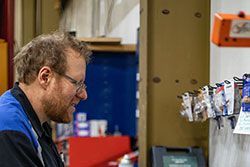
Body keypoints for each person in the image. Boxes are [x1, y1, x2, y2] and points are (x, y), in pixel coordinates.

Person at [0, 32, 92, 166]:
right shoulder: (10, 131)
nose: (83, 94)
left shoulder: (37, 124)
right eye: (77, 83)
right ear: (45, 77)